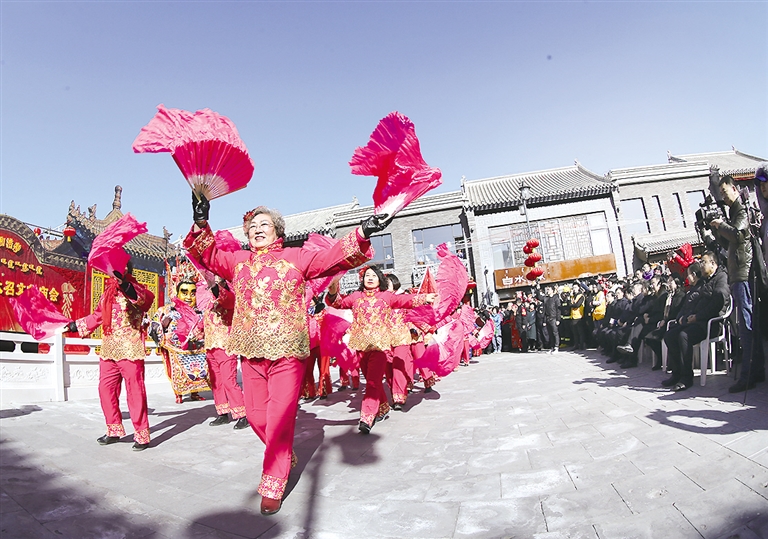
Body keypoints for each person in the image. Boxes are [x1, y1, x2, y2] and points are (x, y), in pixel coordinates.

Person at [184, 195, 378, 515]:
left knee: (279, 418)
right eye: (253, 226)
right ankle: (284, 456)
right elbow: (206, 255)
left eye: (264, 225)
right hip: (251, 350)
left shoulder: (296, 257)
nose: (257, 229)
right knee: (257, 415)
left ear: (278, 232)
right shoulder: (237, 261)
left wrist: (364, 232)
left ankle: (273, 482)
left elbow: (331, 258)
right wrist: (201, 221)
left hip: (288, 351)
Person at [326, 265, 435, 432]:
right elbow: (338, 303)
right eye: (367, 275)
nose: (370, 278)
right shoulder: (356, 297)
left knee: (372, 382)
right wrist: (333, 289)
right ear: (362, 280)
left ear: (380, 279)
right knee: (372, 379)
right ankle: (383, 408)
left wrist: (424, 298)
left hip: (380, 346)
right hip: (361, 346)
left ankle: (367, 417)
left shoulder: (386, 296)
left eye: (374, 276)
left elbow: (405, 300)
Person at [68, 261, 154, 451]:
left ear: (127, 270)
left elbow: (144, 300)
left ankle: (142, 434)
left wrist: (124, 284)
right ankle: (113, 430)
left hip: (130, 349)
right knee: (105, 389)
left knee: (135, 392)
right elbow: (97, 316)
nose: (114, 272)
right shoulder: (108, 292)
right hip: (108, 349)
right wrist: (75, 325)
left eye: (119, 268)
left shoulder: (136, 288)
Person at [711, 176, 758, 393]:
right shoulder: (733, 212)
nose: (723, 196)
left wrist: (722, 225)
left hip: (743, 274)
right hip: (736, 274)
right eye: (720, 193)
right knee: (745, 325)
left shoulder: (741, 210)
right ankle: (755, 371)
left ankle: (749, 375)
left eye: (724, 191)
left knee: (746, 326)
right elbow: (728, 242)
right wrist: (715, 230)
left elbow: (738, 234)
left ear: (734, 188)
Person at [662, 252, 729, 391]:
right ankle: (677, 373)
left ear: (713, 263)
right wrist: (688, 317)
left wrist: (697, 317)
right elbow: (694, 303)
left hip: (711, 323)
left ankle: (687, 377)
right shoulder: (705, 281)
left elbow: (717, 303)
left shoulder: (721, 278)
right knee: (670, 335)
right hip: (697, 321)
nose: (701, 265)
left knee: (684, 336)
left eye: (704, 262)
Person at [150, 278, 209, 404]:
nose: (189, 297)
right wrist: (163, 325)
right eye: (184, 292)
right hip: (176, 348)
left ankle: (195, 392)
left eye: (193, 293)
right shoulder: (167, 310)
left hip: (198, 348)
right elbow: (154, 325)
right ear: (177, 293)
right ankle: (179, 393)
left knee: (199, 371)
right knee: (178, 371)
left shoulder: (201, 310)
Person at [203, 280, 248, 429]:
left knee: (229, 381)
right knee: (216, 382)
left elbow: (229, 302)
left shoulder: (230, 290)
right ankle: (222, 412)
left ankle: (242, 414)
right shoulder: (205, 293)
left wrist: (216, 287)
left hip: (225, 343)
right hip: (210, 344)